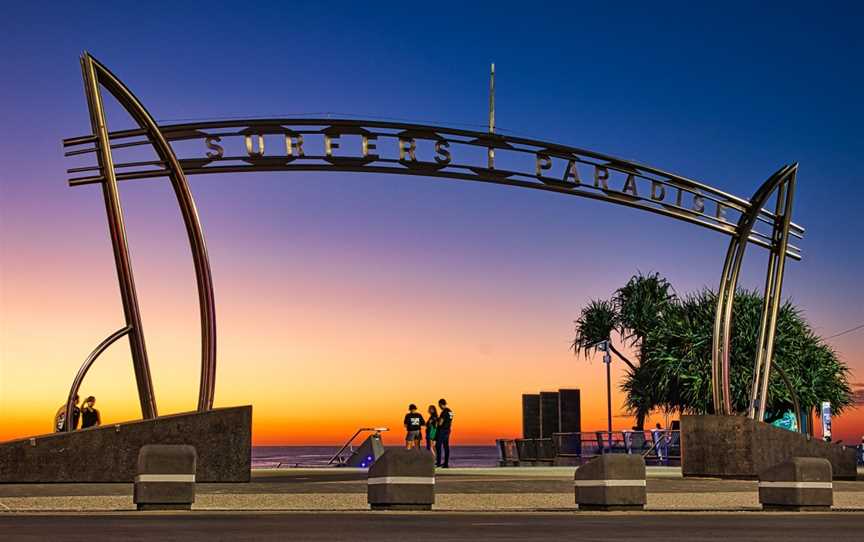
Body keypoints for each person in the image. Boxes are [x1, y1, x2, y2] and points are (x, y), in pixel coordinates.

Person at [435, 398, 454, 468]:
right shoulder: (450, 411)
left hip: (442, 430)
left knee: (438, 446)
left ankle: (438, 462)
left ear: (440, 404)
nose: (439, 407)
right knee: (446, 446)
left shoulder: (444, 412)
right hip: (448, 430)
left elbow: (440, 423)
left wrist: (437, 420)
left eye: (439, 405)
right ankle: (446, 463)